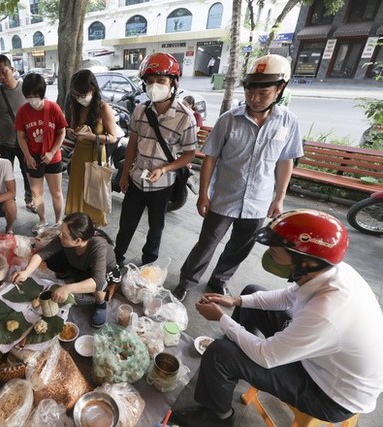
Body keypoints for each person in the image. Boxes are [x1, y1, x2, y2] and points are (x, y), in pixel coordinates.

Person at [170, 209, 383, 426]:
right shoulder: (329, 269)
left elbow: (265, 356)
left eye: (275, 250)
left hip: (330, 394)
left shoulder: (329, 312)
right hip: (321, 359)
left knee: (220, 352)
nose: (269, 253)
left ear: (306, 261)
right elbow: (287, 296)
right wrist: (236, 301)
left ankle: (217, 416)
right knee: (251, 293)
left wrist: (222, 319)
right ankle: (226, 371)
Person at [172, 54, 303, 302]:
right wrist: (203, 194)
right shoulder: (228, 120)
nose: (254, 98)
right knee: (207, 243)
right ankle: (186, 281)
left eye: (263, 93)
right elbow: (210, 158)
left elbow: (286, 161)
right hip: (223, 198)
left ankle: (219, 280)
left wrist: (279, 198)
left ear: (280, 89)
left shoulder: (288, 121)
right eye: (250, 91)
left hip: (258, 202)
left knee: (241, 247)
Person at [114, 52, 197, 267]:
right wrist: (124, 174)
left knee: (156, 227)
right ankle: (116, 259)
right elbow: (132, 143)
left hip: (162, 184)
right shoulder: (141, 110)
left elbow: (189, 154)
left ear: (173, 82)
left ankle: (148, 263)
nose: (155, 86)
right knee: (126, 224)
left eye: (161, 81)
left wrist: (165, 168)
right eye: (150, 82)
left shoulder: (185, 117)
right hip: (135, 179)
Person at [12, 212, 119, 328]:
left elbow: (97, 281)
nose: (60, 236)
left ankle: (100, 304)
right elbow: (42, 254)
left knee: (97, 283)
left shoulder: (98, 245)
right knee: (52, 258)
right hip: (79, 264)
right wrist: (26, 272)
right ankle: (73, 275)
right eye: (61, 233)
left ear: (78, 240)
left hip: (102, 272)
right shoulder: (64, 240)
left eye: (64, 235)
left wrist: (68, 289)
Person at [0, 55, 36, 214]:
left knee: (27, 173)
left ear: (12, 69)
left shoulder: (25, 89)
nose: (1, 77)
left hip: (24, 143)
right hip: (5, 143)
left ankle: (30, 199)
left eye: (4, 72)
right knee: (4, 176)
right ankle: (8, 202)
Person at [64, 69, 120, 226]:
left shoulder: (103, 108)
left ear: (93, 89)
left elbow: (113, 137)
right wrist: (71, 133)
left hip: (96, 156)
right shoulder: (75, 106)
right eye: (76, 94)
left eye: (82, 94)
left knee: (94, 193)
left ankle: (93, 226)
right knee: (78, 191)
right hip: (79, 155)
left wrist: (92, 137)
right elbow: (72, 129)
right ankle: (77, 225)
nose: (79, 98)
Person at [15, 72, 67, 234]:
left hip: (52, 157)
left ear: (42, 93)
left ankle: (58, 221)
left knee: (56, 192)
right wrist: (28, 156)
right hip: (33, 158)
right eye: (29, 96)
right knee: (37, 193)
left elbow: (61, 132)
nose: (32, 99)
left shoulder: (53, 108)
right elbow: (21, 136)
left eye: (36, 95)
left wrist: (52, 152)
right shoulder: (23, 111)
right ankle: (42, 219)